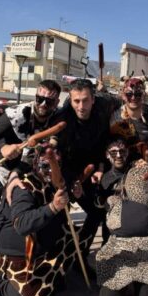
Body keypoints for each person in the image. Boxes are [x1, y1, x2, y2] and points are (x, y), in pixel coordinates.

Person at [0, 80, 61, 295]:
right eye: (40, 99)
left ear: (56, 102)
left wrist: (18, 173)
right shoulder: (17, 113)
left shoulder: (56, 120)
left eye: (49, 101)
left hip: (24, 172)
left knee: (18, 220)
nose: (43, 104)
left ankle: (13, 267)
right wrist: (2, 147)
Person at [0, 152, 90, 296]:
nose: (52, 170)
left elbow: (73, 211)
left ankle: (52, 277)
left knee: (79, 234)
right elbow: (22, 225)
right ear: (35, 164)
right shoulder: (23, 186)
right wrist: (53, 207)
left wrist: (76, 195)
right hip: (17, 253)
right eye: (45, 166)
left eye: (56, 164)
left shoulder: (58, 180)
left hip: (43, 245)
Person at [52, 78, 121, 275]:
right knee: (58, 217)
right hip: (65, 172)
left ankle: (80, 257)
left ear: (93, 99)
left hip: (90, 170)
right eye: (76, 101)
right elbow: (56, 154)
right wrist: (70, 182)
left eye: (85, 100)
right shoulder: (62, 118)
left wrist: (100, 167)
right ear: (70, 99)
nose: (81, 106)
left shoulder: (104, 105)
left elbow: (120, 101)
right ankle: (57, 263)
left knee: (97, 213)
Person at [96, 138, 148, 296]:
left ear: (128, 152)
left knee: (146, 295)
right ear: (107, 155)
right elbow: (97, 206)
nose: (119, 155)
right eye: (114, 152)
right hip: (118, 246)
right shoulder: (104, 180)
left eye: (122, 151)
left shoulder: (140, 170)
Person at [110, 77, 148, 167]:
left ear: (144, 95)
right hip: (125, 167)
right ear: (123, 96)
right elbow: (113, 150)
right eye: (129, 94)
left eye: (138, 94)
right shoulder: (115, 120)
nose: (133, 98)